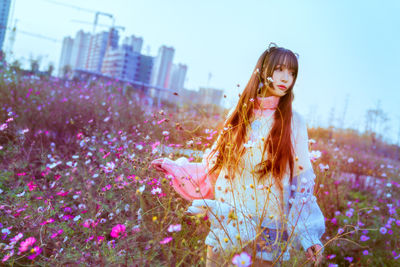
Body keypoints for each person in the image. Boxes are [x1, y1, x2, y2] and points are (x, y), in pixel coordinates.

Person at [150, 43, 325, 266]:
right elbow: (214, 161)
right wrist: (177, 168)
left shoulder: (294, 121)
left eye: (292, 73)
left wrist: (308, 234)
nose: (286, 78)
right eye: (280, 69)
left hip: (270, 226)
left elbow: (303, 180)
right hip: (229, 218)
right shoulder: (240, 113)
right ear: (263, 71)